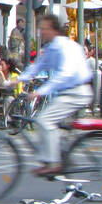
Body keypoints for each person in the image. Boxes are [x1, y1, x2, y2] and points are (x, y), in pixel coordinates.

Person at [18, 13, 94, 174]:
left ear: (53, 30)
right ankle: (56, 155)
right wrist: (17, 80)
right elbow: (38, 66)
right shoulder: (51, 47)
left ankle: (52, 163)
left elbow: (64, 74)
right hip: (67, 92)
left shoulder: (65, 47)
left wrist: (41, 92)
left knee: (44, 120)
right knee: (49, 120)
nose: (41, 33)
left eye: (44, 29)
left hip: (77, 91)